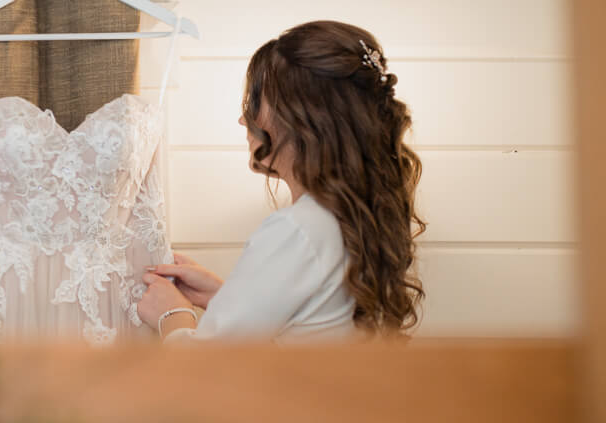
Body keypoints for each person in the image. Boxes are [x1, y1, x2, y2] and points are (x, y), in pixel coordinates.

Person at [136, 21, 425, 341]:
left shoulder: (297, 229)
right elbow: (315, 320)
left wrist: (171, 315)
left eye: (256, 103)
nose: (244, 119)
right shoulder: (346, 216)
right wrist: (225, 296)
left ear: (301, 120)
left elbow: (205, 368)